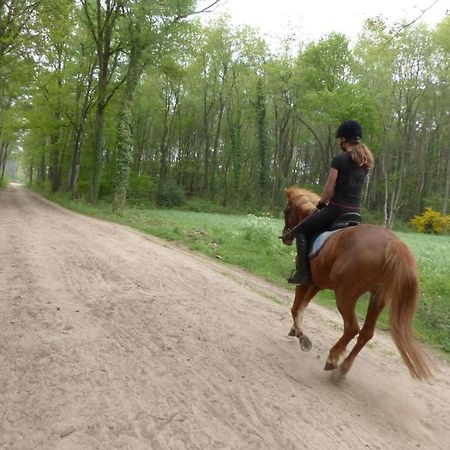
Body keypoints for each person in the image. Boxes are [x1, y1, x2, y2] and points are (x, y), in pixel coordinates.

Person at [287, 119, 374, 284]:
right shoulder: (365, 162)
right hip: (355, 213)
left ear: (343, 139)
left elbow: (328, 190)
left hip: (336, 210)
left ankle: (303, 273)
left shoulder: (340, 160)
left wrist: (319, 206)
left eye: (340, 139)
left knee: (301, 230)